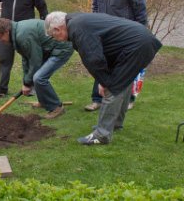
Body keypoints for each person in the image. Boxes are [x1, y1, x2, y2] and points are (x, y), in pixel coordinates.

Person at [45, 12, 162, 145]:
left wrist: (104, 81)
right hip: (139, 42)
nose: (56, 39)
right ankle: (115, 124)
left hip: (136, 45)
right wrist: (103, 79)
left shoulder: (77, 28)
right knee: (123, 83)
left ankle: (102, 135)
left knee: (113, 88)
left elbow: (93, 59)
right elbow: (106, 49)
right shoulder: (77, 21)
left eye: (53, 36)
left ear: (57, 29)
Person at [85, 0, 148, 112]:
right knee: (100, 60)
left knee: (125, 64)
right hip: (103, 27)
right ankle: (97, 99)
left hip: (124, 30)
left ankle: (128, 98)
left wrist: (140, 32)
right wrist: (95, 20)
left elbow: (140, 8)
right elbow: (96, 0)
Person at [0, 18, 73, 119]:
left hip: (61, 48)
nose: (1, 41)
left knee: (39, 77)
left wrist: (27, 83)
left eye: (0, 37)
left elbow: (35, 61)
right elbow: (26, 58)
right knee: (37, 76)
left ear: (6, 31)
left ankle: (56, 107)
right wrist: (26, 81)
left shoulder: (22, 36)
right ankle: (44, 101)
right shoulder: (16, 32)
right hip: (48, 49)